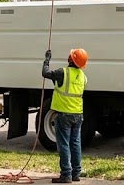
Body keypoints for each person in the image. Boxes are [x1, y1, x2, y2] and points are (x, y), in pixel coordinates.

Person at [43, 48, 88, 183]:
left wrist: (46, 60)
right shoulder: (83, 77)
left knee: (63, 144)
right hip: (78, 114)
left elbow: (45, 73)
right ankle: (76, 173)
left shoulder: (62, 72)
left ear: (71, 60)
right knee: (75, 144)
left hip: (64, 115)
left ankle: (66, 175)